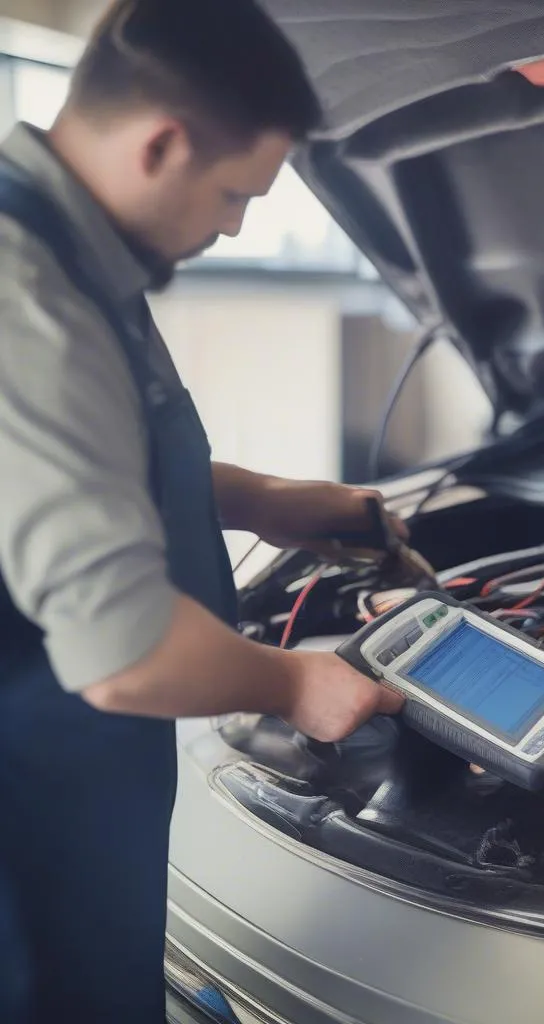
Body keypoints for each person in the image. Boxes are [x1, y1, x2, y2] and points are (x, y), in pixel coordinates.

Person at [0, 1, 406, 1020]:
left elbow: (77, 465)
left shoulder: (66, 248)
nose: (232, 224)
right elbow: (128, 653)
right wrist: (292, 680)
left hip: (80, 779)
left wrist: (263, 498)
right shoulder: (28, 299)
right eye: (235, 194)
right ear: (162, 143)